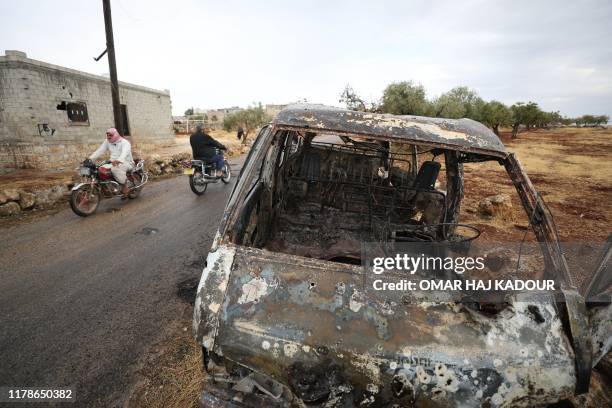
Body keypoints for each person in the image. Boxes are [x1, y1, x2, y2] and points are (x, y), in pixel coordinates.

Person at [89, 128, 134, 196]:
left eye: (110, 135)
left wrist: (119, 160)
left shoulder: (125, 142)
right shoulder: (107, 141)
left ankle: (125, 186)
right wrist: (90, 159)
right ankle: (108, 186)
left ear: (115, 135)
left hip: (126, 162)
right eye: (107, 135)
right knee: (100, 169)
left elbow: (124, 153)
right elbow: (100, 151)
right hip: (113, 162)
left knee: (115, 169)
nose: (109, 137)